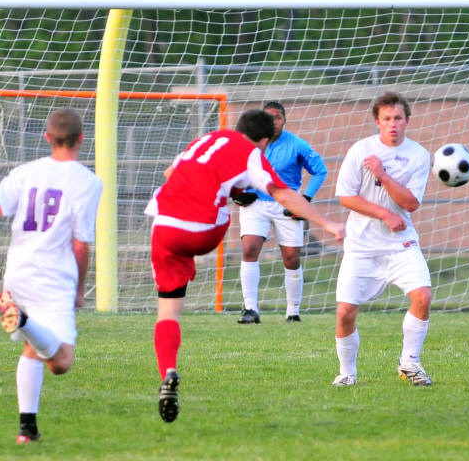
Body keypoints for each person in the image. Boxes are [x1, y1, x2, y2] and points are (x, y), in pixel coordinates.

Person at [144, 109, 345, 423]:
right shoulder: (252, 154)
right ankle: (273, 305)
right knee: (233, 207)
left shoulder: (206, 139)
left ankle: (168, 371)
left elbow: (171, 172)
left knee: (167, 312)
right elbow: (282, 193)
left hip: (164, 225)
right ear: (264, 141)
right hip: (204, 230)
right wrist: (326, 222)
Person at [0, 109, 103, 442]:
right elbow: (80, 244)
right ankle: (23, 321)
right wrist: (79, 289)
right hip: (54, 278)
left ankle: (27, 429)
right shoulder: (88, 181)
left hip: (18, 275)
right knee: (61, 362)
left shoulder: (23, 173)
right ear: (81, 138)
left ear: (47, 138)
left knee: (34, 350)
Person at [332, 92, 433, 387]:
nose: (393, 124)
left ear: (407, 121)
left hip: (401, 244)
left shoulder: (418, 155)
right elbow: (346, 196)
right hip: (361, 247)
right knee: (345, 312)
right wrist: (385, 214)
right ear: (377, 122)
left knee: (423, 296)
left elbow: (411, 203)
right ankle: (347, 373)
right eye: (386, 118)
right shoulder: (360, 150)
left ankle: (410, 362)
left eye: (398, 118)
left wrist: (383, 175)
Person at [233, 101, 328, 324]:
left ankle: (293, 312)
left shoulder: (297, 145)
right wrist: (237, 193)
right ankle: (250, 310)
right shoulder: (249, 144)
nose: (273, 122)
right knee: (249, 248)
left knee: (291, 257)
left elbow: (320, 171)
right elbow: (233, 169)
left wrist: (305, 200)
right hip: (255, 203)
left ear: (284, 120)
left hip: (287, 204)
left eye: (277, 117)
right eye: (269, 118)